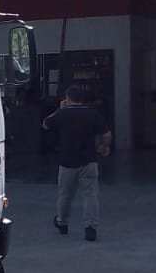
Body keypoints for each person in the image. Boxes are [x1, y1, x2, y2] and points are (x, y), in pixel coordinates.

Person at [42, 85, 112, 241]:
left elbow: (45, 124)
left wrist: (60, 109)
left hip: (67, 161)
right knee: (90, 194)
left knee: (65, 194)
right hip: (89, 160)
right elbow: (106, 134)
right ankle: (90, 227)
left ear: (67, 99)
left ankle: (62, 222)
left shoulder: (62, 114)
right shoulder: (93, 114)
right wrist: (104, 146)